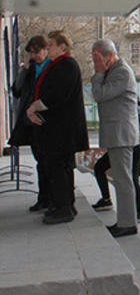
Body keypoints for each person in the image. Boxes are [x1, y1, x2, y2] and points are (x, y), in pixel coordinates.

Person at [26, 30, 89, 224]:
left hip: (62, 129)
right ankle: (65, 204)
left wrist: (34, 107)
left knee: (57, 166)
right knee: (61, 166)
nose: (48, 47)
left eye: (51, 44)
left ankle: (63, 208)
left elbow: (58, 95)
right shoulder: (59, 65)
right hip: (59, 128)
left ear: (62, 46)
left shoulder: (66, 65)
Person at [91, 39, 140, 237]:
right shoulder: (115, 70)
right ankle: (125, 220)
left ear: (109, 55)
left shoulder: (121, 71)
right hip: (117, 134)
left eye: (98, 57)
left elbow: (99, 94)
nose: (95, 61)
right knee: (121, 179)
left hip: (121, 135)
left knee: (123, 180)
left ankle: (128, 223)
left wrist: (99, 72)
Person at [9, 35, 52, 212]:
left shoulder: (52, 66)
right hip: (30, 122)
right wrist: (24, 70)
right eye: (31, 53)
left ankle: (50, 198)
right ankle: (43, 198)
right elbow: (17, 91)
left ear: (45, 49)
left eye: (36, 51)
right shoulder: (30, 69)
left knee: (49, 162)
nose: (34, 55)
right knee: (40, 161)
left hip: (47, 121)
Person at [91, 104, 140, 225]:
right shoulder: (138, 110)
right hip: (123, 146)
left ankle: (136, 213)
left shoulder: (133, 110)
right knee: (101, 168)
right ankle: (108, 200)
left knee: (131, 179)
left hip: (130, 146)